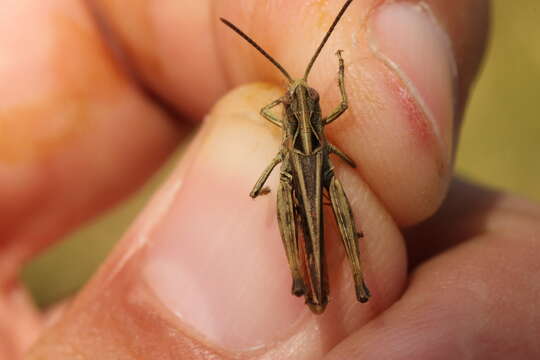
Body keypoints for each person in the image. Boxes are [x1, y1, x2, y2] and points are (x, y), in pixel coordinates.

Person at [2, 0, 539, 359]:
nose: (300, 100)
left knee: (324, 212)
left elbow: (291, 153)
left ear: (294, 113)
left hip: (306, 175)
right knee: (318, 206)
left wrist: (344, 80)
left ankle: (337, 280)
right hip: (315, 176)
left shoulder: (279, 126)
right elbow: (345, 105)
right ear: (305, 112)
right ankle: (311, 283)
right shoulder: (321, 129)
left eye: (300, 100)